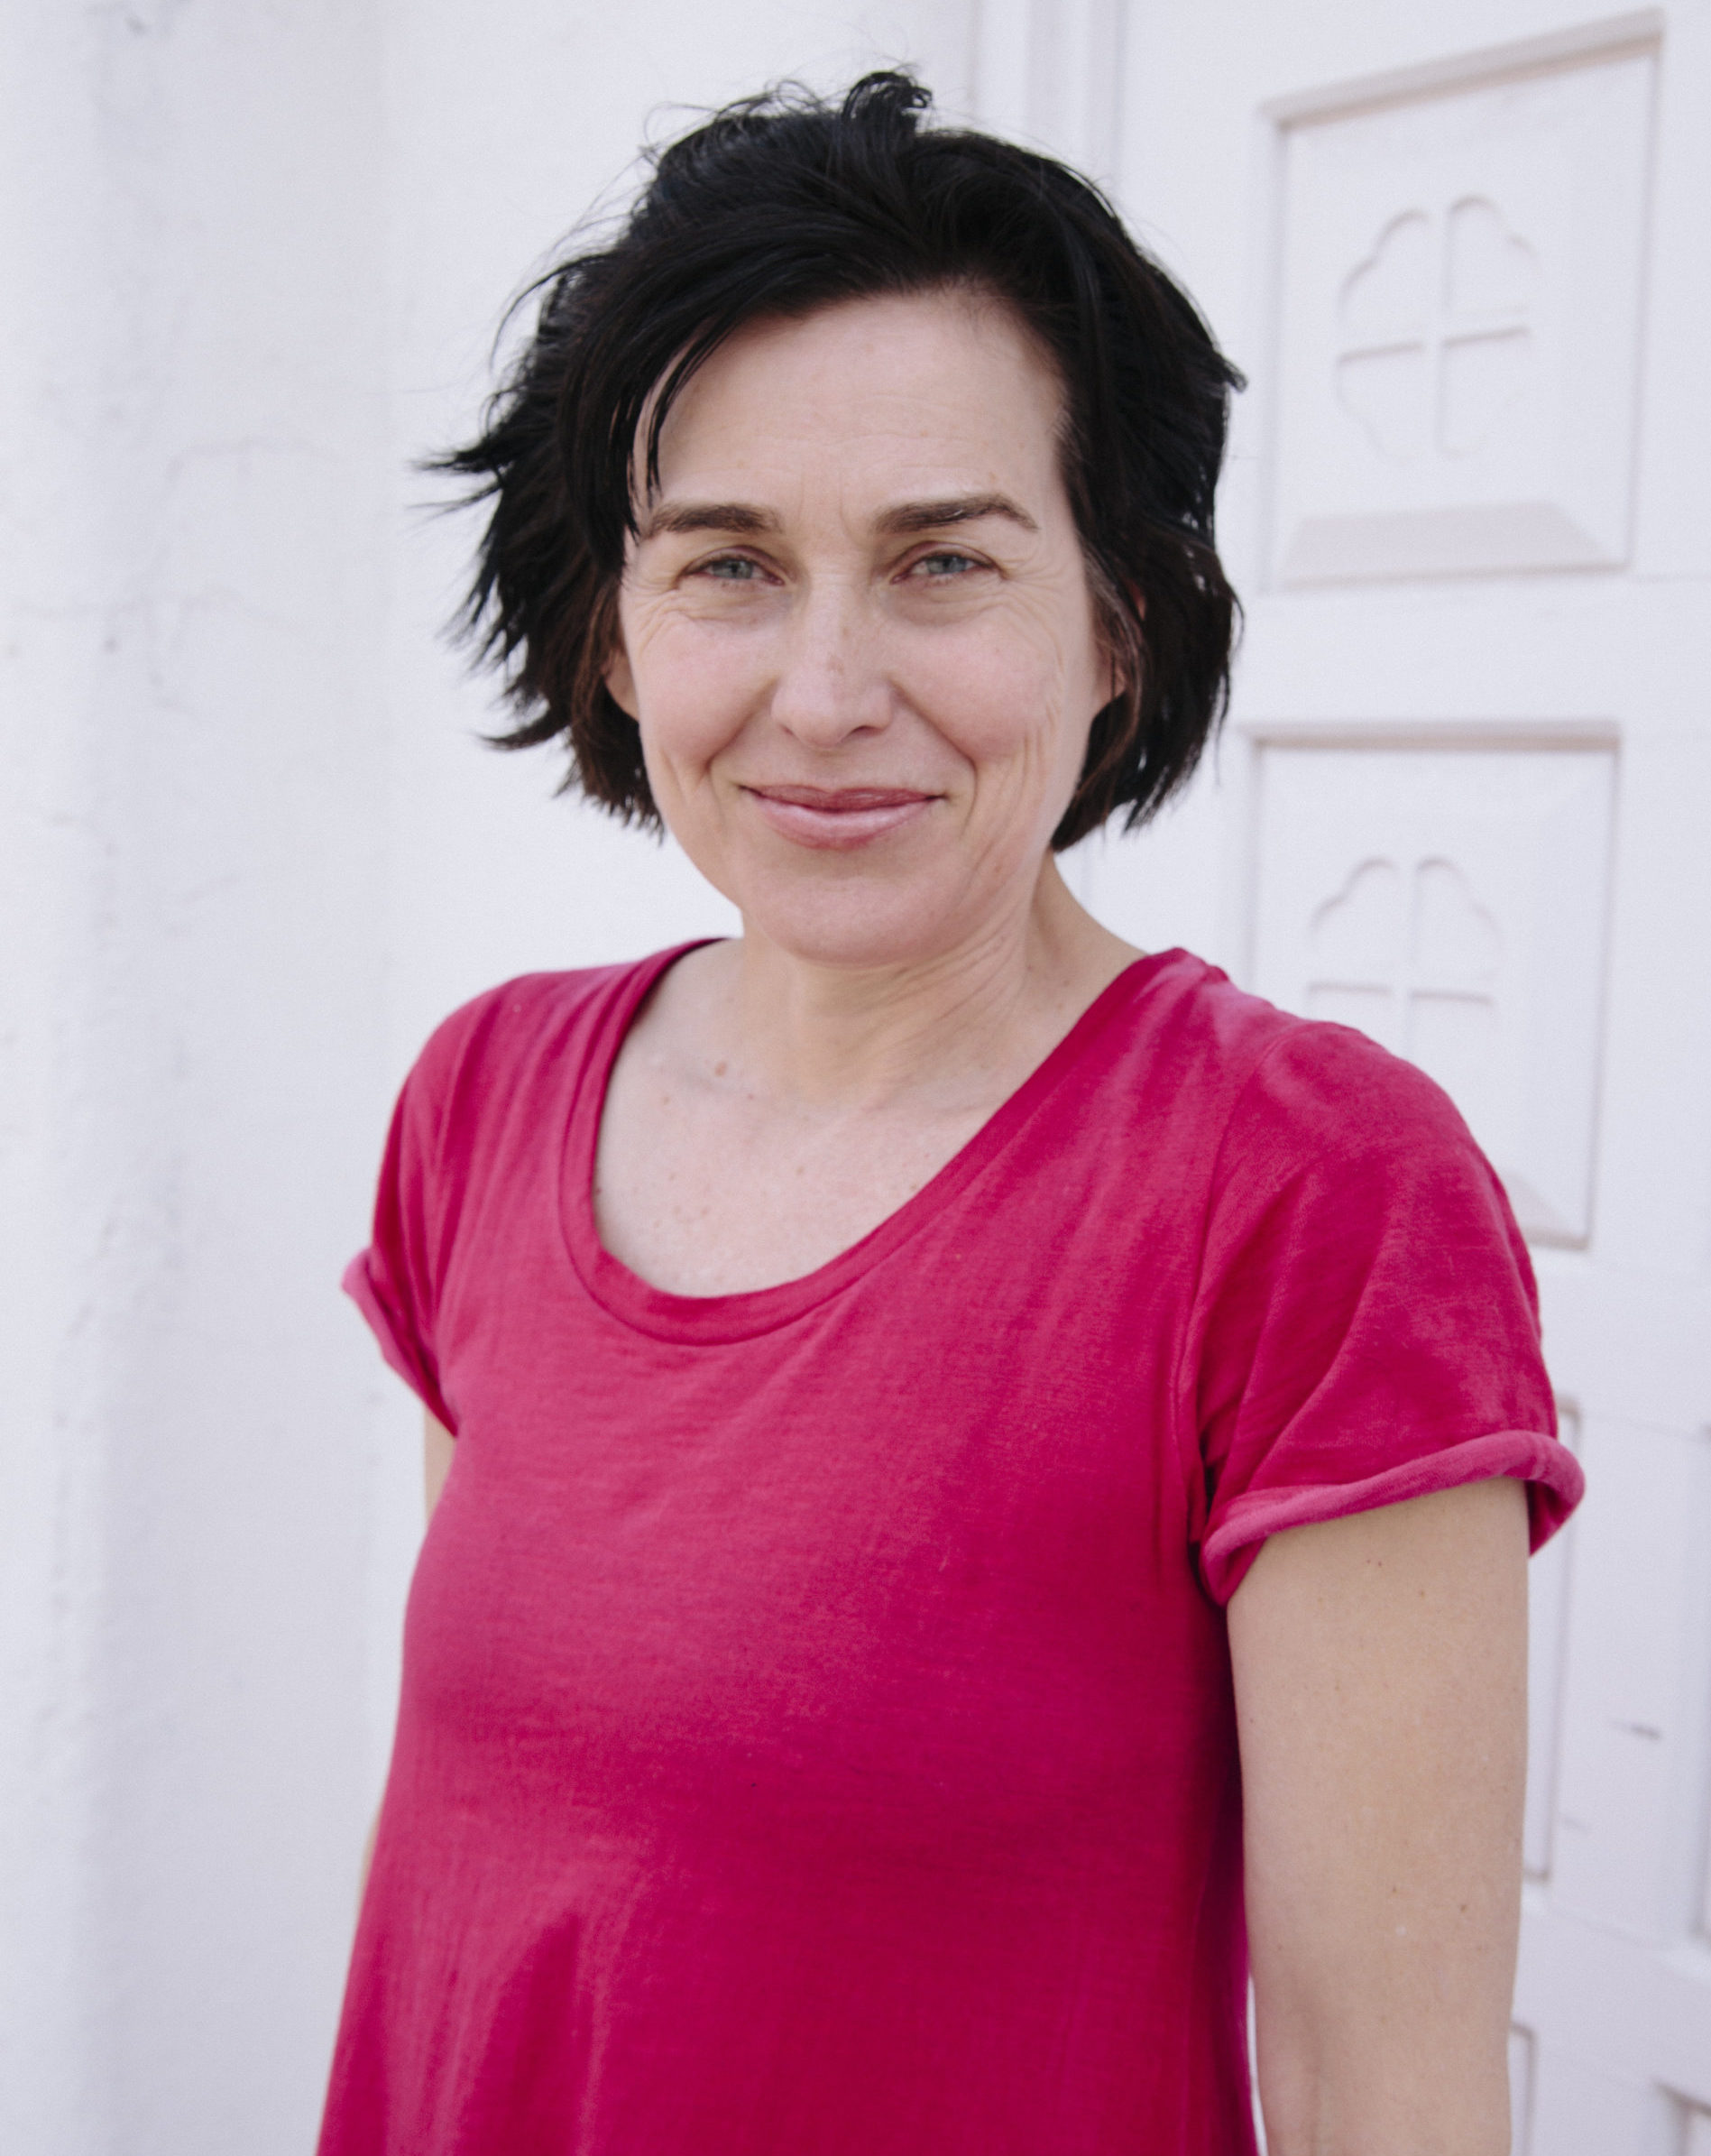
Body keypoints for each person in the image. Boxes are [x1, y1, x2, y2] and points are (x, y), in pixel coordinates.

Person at [318, 73, 1582, 2156]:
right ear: (614, 629)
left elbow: (1391, 2100)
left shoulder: (1304, 1185)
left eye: (939, 563)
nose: (824, 693)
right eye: (729, 564)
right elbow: (484, 1877)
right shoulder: (484, 1098)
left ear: (1120, 621)